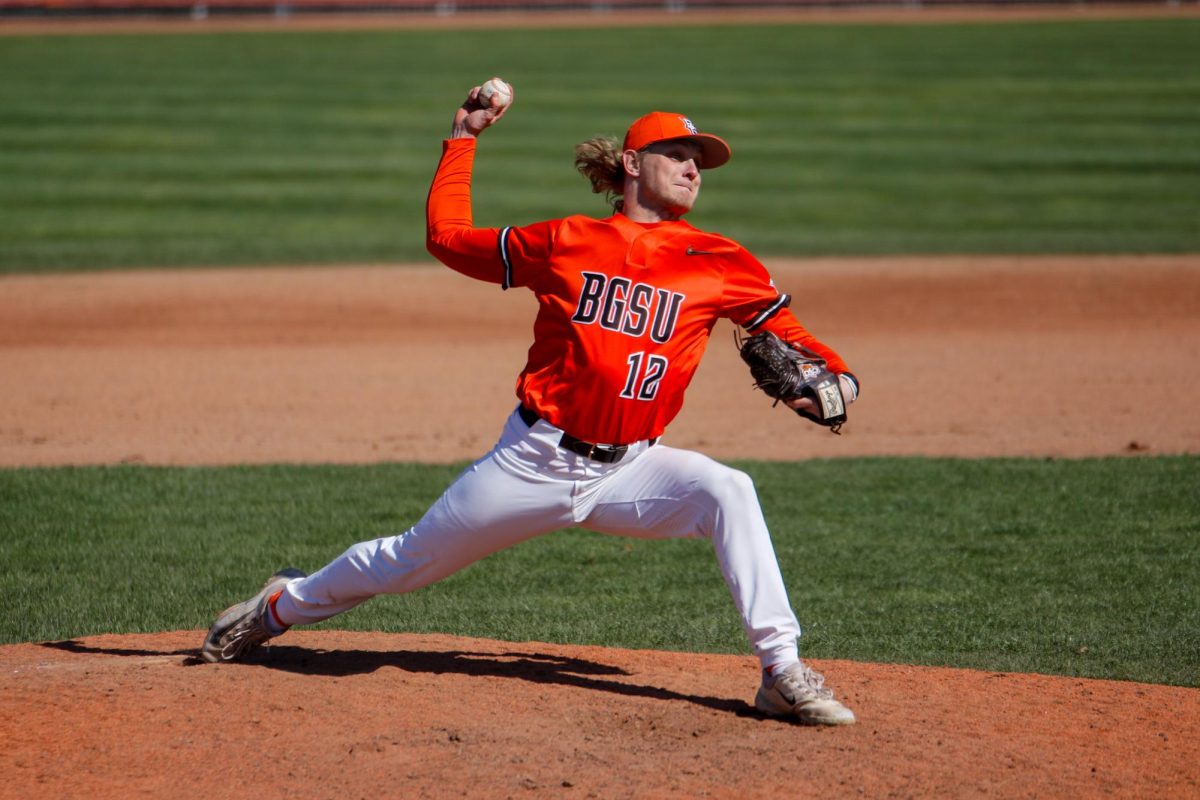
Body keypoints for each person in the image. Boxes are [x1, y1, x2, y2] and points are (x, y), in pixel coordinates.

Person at [202, 79, 860, 726]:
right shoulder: (566, 241)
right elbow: (448, 239)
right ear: (632, 164)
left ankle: (780, 671)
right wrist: (462, 140)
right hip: (533, 461)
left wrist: (835, 383)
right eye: (677, 154)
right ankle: (281, 606)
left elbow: (798, 344)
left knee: (728, 490)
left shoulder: (720, 260)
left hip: (630, 470)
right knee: (404, 563)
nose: (693, 168)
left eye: (701, 161)